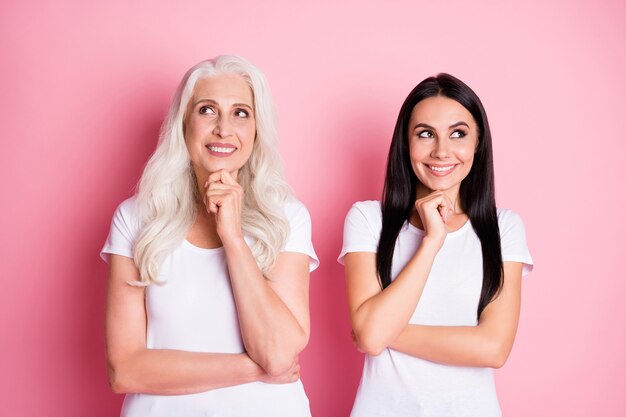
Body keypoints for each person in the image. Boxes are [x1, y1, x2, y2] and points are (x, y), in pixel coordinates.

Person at [101, 55, 318, 417]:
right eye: (207, 110)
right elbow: (124, 370)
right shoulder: (136, 218)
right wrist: (250, 368)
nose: (223, 128)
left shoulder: (287, 217)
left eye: (241, 113)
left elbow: (278, 353)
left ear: (256, 129)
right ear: (183, 123)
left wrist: (232, 236)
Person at [338, 73, 533, 416]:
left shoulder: (503, 229)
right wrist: (431, 242)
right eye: (425, 134)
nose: (442, 151)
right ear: (406, 144)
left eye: (458, 134)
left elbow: (493, 348)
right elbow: (369, 336)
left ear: (477, 143)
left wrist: (383, 332)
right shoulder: (368, 220)